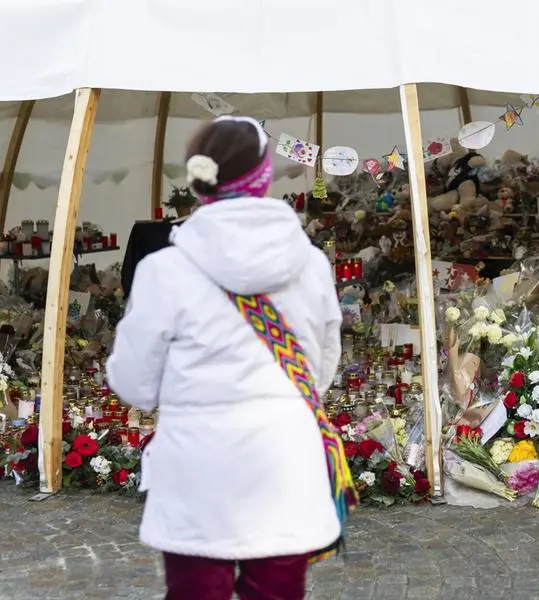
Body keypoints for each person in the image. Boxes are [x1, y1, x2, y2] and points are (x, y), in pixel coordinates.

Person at [106, 116, 357, 600]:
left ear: (199, 183)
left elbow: (134, 384)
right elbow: (320, 372)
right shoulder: (311, 266)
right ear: (264, 177)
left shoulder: (164, 271)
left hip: (198, 468)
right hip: (285, 461)